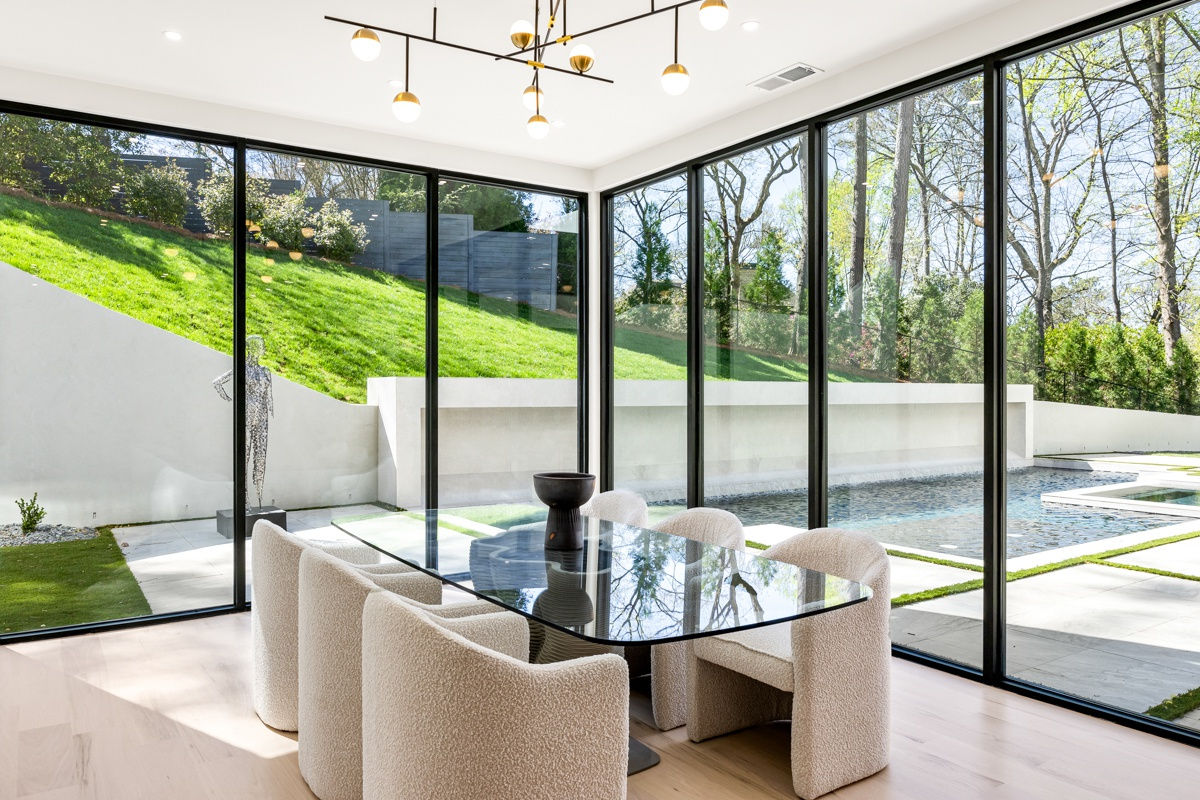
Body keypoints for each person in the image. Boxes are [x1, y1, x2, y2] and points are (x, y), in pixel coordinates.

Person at [213, 335, 274, 509]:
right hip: (246, 418)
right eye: (261, 346)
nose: (264, 349)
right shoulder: (242, 368)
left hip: (262, 419)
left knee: (260, 459)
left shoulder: (265, 371)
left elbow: (270, 400)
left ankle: (260, 498)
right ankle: (245, 499)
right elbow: (217, 382)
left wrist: (272, 414)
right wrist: (230, 399)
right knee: (244, 458)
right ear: (253, 348)